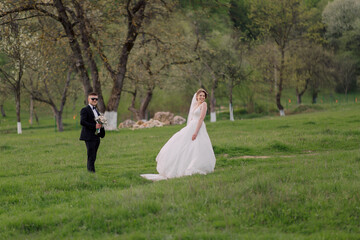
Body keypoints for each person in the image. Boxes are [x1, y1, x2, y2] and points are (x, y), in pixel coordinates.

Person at [141, 88, 216, 181]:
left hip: (198, 127)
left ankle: (198, 165)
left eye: (203, 96)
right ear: (197, 96)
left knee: (197, 146)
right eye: (200, 95)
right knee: (183, 144)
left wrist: (196, 132)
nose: (202, 97)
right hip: (192, 126)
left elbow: (201, 119)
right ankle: (181, 165)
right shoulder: (196, 105)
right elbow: (192, 117)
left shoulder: (204, 105)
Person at [79, 92, 105, 173]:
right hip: (89, 136)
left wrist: (101, 126)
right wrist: (94, 126)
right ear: (88, 99)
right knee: (91, 155)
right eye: (92, 99)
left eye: (96, 99)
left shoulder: (97, 111)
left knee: (94, 155)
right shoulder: (85, 110)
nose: (94, 100)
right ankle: (91, 173)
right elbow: (82, 122)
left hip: (96, 136)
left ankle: (92, 171)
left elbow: (98, 123)